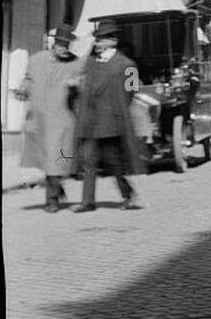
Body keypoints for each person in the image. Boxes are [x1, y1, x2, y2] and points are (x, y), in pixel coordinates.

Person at [73, 18, 146, 211]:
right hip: (92, 121)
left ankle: (129, 195)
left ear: (112, 41)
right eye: (96, 40)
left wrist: (116, 110)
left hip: (112, 122)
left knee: (114, 162)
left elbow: (131, 92)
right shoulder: (90, 64)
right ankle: (87, 202)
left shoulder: (127, 65)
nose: (97, 44)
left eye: (101, 40)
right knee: (89, 161)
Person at [18, 24, 86, 212]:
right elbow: (28, 80)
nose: (65, 48)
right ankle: (57, 188)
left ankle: (52, 200)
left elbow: (84, 87)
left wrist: (77, 86)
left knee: (56, 160)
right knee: (46, 160)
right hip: (39, 120)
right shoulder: (36, 60)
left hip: (62, 120)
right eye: (62, 44)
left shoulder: (76, 63)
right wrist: (23, 90)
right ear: (54, 43)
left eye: (68, 45)